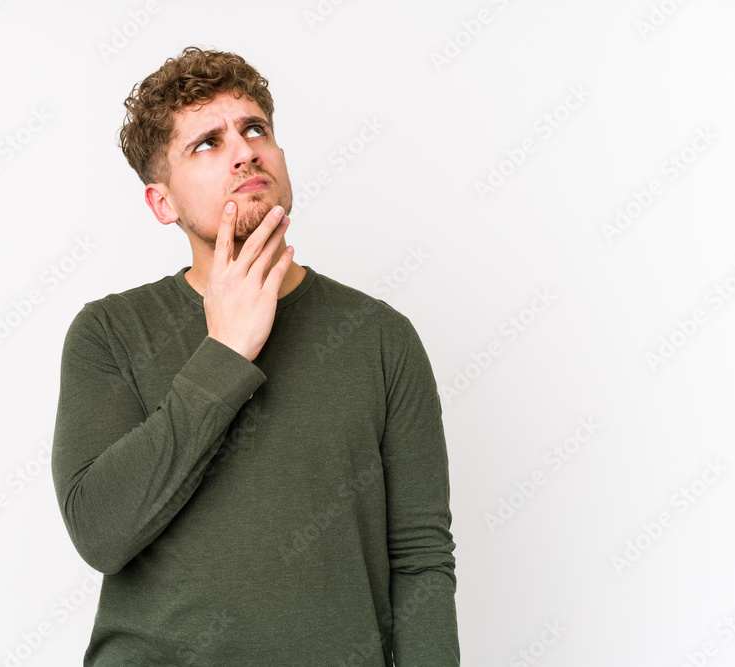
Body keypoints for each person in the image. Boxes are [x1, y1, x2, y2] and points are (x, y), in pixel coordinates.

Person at [51, 45, 459, 666]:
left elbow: (421, 560)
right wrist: (224, 352)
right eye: (207, 144)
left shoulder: (381, 338)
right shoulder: (108, 333)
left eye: (255, 129)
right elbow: (101, 534)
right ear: (163, 203)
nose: (244, 150)